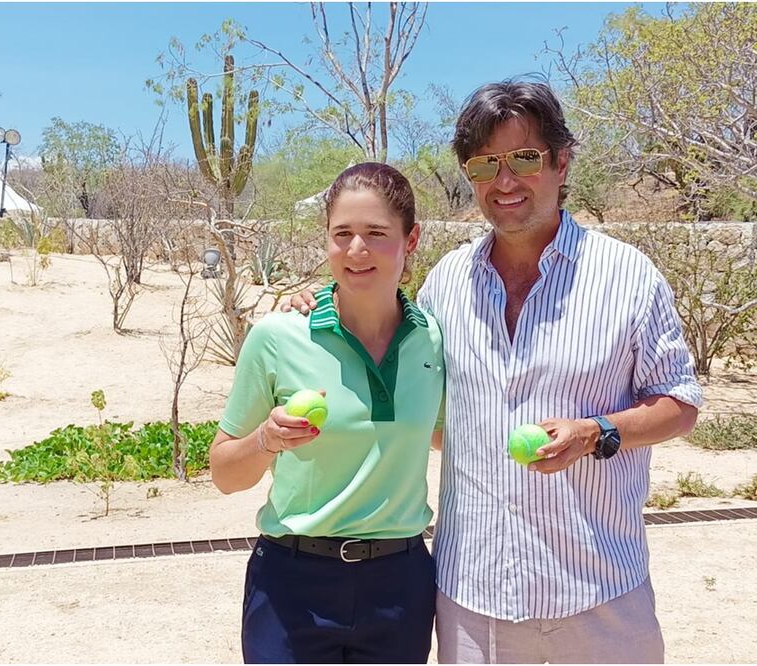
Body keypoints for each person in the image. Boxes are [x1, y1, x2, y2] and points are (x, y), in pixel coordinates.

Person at [287, 79, 702, 664]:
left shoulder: (628, 277)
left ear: (562, 161)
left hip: (599, 594)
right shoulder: (445, 286)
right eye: (484, 165)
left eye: (525, 158)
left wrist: (597, 432)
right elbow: (384, 342)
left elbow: (679, 403)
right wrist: (316, 302)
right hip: (472, 600)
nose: (504, 182)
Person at [209, 162, 444, 664]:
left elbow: (451, 434)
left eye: (376, 233)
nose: (356, 250)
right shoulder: (277, 337)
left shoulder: (434, 341)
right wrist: (264, 442)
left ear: (412, 238)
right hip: (293, 582)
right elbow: (224, 473)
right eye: (343, 234)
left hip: (399, 585)